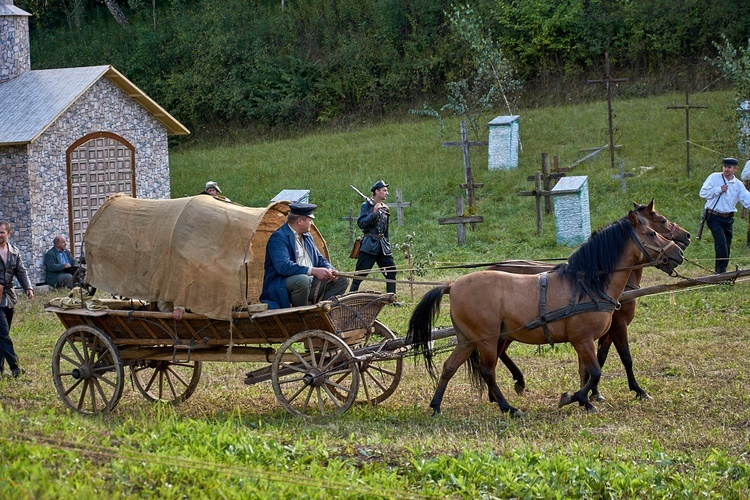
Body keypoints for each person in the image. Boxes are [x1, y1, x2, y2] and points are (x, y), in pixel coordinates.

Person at [260, 202, 349, 309]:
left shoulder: (307, 235)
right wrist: (313, 271)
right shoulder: (279, 238)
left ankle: (323, 311)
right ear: (300, 221)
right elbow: (283, 266)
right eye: (310, 220)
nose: (311, 223)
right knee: (302, 280)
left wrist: (330, 269)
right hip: (283, 287)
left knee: (342, 279)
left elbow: (320, 258)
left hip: (309, 283)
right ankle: (302, 314)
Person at [699, 157, 750, 273]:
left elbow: (747, 199)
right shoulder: (714, 178)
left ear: (735, 169)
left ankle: (722, 272)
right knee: (721, 245)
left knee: (727, 246)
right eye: (725, 166)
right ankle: (720, 273)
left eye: (729, 167)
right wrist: (718, 189)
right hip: (713, 217)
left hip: (728, 219)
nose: (726, 169)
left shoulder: (738, 185)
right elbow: (703, 193)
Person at [349, 180, 398, 296]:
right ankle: (350, 297)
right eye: (384, 190)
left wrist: (387, 244)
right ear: (377, 191)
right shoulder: (366, 206)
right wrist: (374, 213)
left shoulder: (385, 208)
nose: (387, 193)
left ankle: (392, 298)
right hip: (369, 245)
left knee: (391, 271)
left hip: (382, 246)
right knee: (360, 275)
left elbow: (386, 230)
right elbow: (362, 223)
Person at [0, 221, 34, 378]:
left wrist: (28, 287)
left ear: (9, 234)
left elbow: (21, 271)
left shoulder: (14, 252)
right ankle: (15, 368)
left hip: (9, 297)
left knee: (2, 335)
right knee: (3, 334)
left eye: (1, 233)